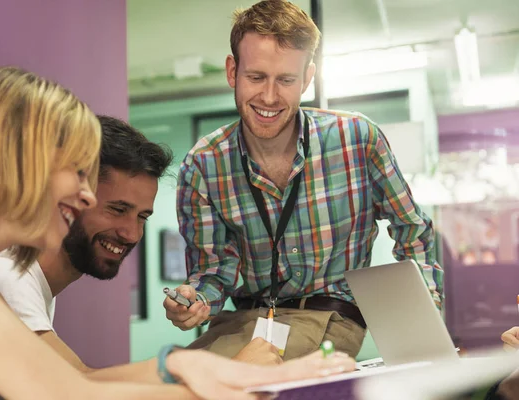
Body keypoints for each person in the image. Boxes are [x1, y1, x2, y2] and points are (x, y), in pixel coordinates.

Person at [0, 66, 355, 400]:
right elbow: (63, 392)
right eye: (76, 170)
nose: (86, 196)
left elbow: (69, 387)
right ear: (20, 159)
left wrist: (184, 369)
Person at [164, 0, 443, 361]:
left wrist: (423, 328)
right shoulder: (202, 165)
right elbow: (213, 272)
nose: (268, 96)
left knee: (235, 380)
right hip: (243, 321)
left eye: (286, 80)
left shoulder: (356, 138)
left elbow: (413, 230)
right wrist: (195, 302)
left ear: (307, 79)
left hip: (330, 316)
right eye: (256, 77)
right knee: (172, 373)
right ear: (233, 72)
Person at [0, 114, 289, 388]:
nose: (131, 233)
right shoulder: (9, 276)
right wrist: (224, 372)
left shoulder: (32, 286)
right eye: (117, 209)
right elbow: (78, 387)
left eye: (142, 216)